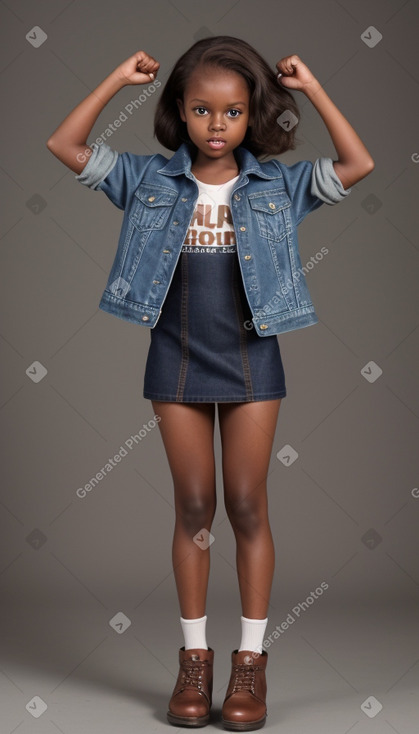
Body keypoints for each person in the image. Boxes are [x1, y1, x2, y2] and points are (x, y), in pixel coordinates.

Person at [46, 35, 374, 731]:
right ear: (180, 112)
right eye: (201, 110)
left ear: (251, 115)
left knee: (246, 504)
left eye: (231, 111)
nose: (216, 124)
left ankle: (249, 666)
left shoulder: (277, 188)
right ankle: (193, 660)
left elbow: (357, 163)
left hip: (254, 361)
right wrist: (114, 77)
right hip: (176, 358)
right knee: (193, 507)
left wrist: (312, 89)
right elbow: (65, 144)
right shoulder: (146, 181)